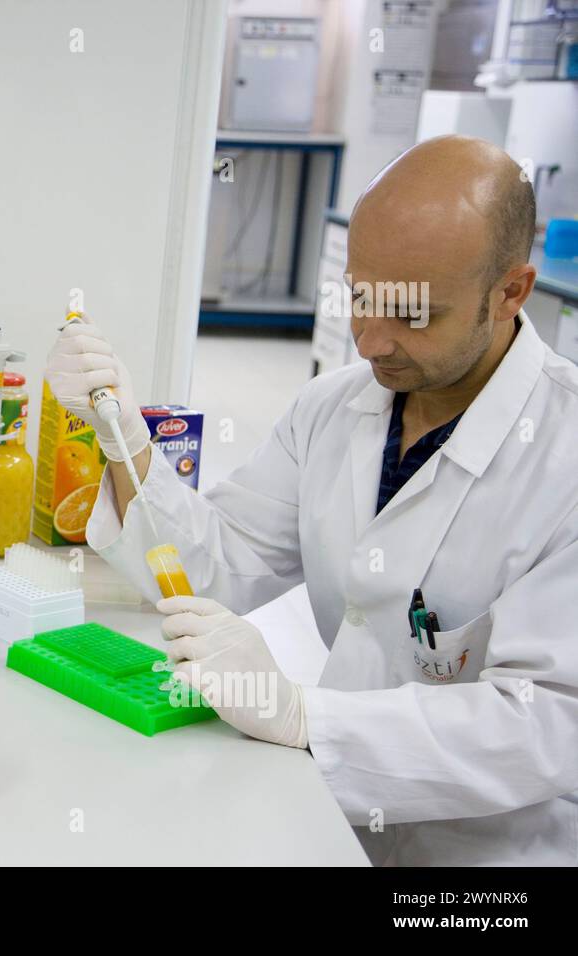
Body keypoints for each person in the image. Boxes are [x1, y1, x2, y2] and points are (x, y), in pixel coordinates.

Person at [45, 135, 578, 866]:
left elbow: (547, 722)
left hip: (489, 864)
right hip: (326, 813)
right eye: (359, 298)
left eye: (413, 316)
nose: (368, 340)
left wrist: (304, 714)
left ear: (511, 292)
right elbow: (214, 567)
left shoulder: (564, 455)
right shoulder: (334, 409)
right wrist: (123, 436)